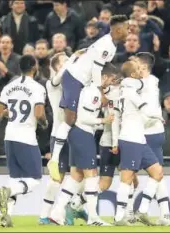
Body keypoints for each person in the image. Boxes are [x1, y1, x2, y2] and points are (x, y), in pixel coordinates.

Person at [48, 15, 129, 181]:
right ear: (118, 30)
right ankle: (54, 159)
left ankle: (67, 158)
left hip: (82, 81)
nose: (128, 32)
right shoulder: (106, 45)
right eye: (127, 28)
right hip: (75, 78)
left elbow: (96, 65)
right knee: (70, 119)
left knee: (77, 119)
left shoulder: (111, 45)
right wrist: (100, 93)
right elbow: (95, 71)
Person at [49, 63, 119, 226]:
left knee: (76, 176)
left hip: (77, 134)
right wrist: (103, 120)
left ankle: (57, 212)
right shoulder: (93, 92)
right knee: (91, 176)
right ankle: (94, 218)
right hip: (83, 133)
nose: (110, 83)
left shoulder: (88, 90)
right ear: (104, 77)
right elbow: (83, 118)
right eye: (110, 79)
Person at [0, 55, 48, 228]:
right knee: (36, 178)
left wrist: (8, 113)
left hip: (10, 137)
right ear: (34, 67)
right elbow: (39, 114)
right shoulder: (38, 87)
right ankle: (9, 191)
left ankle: (6, 217)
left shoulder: (9, 86)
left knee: (15, 178)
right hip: (26, 137)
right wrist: (45, 123)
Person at [39, 51, 87, 225]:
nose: (69, 62)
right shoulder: (51, 84)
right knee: (56, 178)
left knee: (83, 174)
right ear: (57, 67)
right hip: (58, 135)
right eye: (64, 61)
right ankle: (44, 215)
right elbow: (57, 78)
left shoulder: (76, 83)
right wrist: (74, 56)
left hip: (77, 134)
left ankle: (71, 207)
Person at [113, 61, 164, 226]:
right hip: (130, 139)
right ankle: (119, 216)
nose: (141, 71)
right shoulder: (130, 91)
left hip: (139, 139)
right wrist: (158, 117)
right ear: (133, 75)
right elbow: (146, 110)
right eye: (137, 69)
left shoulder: (124, 90)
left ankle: (142, 210)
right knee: (127, 177)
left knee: (157, 172)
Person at [136, 52, 170, 226]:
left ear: (143, 67)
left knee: (154, 173)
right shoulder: (152, 82)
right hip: (155, 132)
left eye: (137, 64)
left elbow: (148, 113)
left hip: (147, 133)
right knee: (158, 174)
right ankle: (165, 215)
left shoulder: (145, 84)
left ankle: (142, 208)